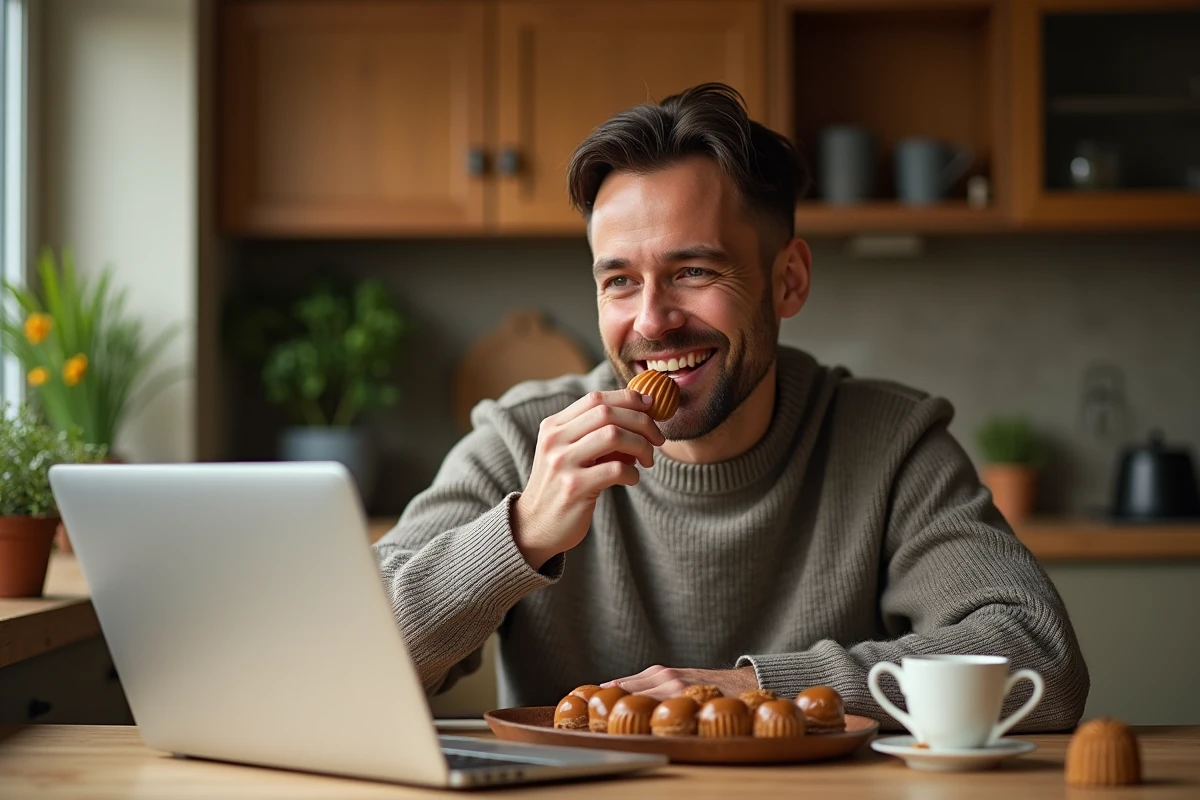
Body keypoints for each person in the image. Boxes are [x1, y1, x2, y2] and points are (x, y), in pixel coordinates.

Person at [373, 83, 1089, 730]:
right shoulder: (524, 441)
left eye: (693, 270)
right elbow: (342, 659)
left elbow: (1041, 661)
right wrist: (521, 533)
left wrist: (752, 692)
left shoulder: (890, 444)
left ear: (789, 281)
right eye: (619, 281)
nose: (652, 321)